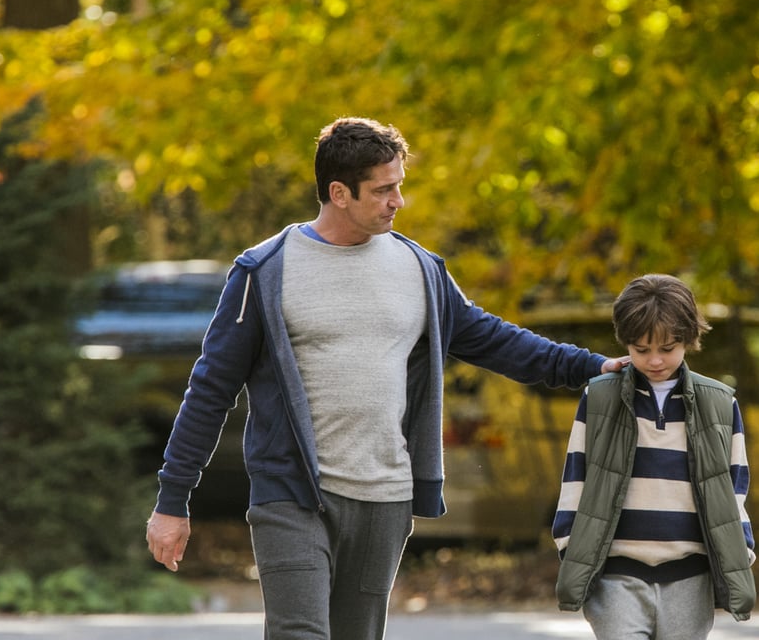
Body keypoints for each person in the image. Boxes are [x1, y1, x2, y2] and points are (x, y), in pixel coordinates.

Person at [144, 116, 621, 640]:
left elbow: (494, 340)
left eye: (399, 186)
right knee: (298, 633)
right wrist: (173, 499)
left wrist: (590, 366)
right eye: (384, 189)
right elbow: (210, 389)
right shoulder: (265, 271)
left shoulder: (420, 269)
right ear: (339, 193)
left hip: (384, 497)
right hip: (291, 492)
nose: (399, 201)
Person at [552, 273, 756, 638]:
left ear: (688, 340)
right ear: (626, 343)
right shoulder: (600, 398)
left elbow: (733, 487)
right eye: (641, 350)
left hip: (690, 575)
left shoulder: (720, 403)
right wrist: (570, 546)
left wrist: (740, 550)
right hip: (615, 575)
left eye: (667, 349)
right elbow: (576, 475)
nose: (655, 360)